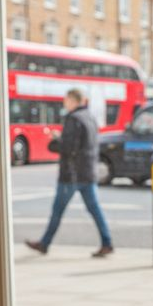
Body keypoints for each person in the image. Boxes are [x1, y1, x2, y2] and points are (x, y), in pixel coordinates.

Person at [27, 89, 114, 257]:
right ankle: (107, 242)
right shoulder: (90, 117)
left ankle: (44, 244)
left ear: (74, 101)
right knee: (95, 210)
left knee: (58, 210)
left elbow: (68, 147)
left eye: (66, 100)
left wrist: (54, 141)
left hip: (72, 174)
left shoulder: (73, 119)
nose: (64, 103)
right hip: (88, 172)